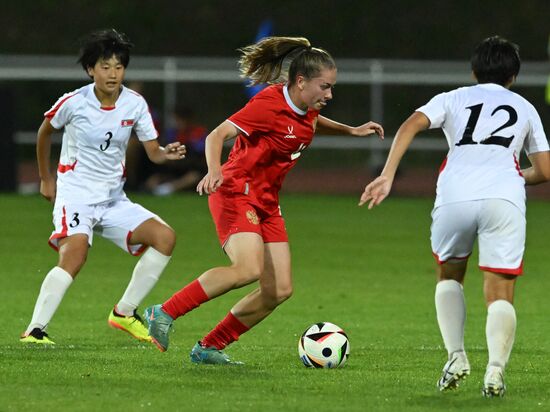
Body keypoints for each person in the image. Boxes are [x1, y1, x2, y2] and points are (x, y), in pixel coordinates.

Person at [143, 36, 384, 364]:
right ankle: (163, 312)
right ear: (301, 82)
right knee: (247, 269)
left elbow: (309, 123)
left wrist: (351, 130)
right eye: (324, 87)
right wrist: (214, 170)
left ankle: (210, 347)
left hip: (267, 202)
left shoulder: (307, 108)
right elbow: (217, 135)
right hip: (235, 192)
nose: (329, 94)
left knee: (279, 290)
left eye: (331, 87)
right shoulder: (268, 104)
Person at [359, 36, 550, 397]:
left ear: (475, 71)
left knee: (449, 275)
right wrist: (508, 177)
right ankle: (495, 370)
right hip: (504, 199)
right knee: (500, 291)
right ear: (514, 75)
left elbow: (411, 124)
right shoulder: (524, 107)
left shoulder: (453, 98)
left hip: (454, 195)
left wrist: (387, 174)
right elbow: (544, 170)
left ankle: (456, 356)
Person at [20, 29, 186, 345]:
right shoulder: (73, 102)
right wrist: (46, 177)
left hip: (112, 198)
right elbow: (44, 133)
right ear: (90, 69)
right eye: (105, 66)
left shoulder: (135, 104)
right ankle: (35, 330)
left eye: (118, 67)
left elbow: (153, 151)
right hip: (76, 193)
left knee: (164, 238)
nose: (113, 73)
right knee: (75, 255)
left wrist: (165, 154)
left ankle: (123, 313)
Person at [144, 106, 208, 195]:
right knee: (152, 181)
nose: (179, 122)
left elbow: (201, 152)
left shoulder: (199, 132)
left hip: (192, 168)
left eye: (181, 119)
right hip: (174, 168)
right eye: (177, 119)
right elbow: (163, 151)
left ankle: (169, 189)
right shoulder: (171, 133)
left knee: (193, 177)